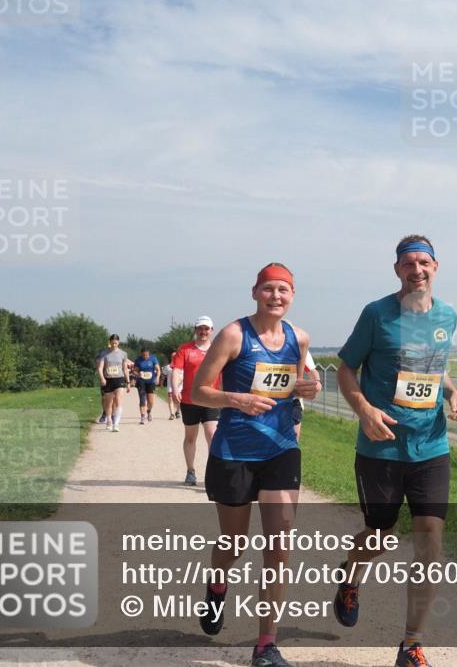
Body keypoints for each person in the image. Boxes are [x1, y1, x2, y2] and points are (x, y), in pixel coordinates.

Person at [333, 235, 457, 667]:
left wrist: (452, 393)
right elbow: (346, 369)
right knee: (380, 537)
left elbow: (434, 365)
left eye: (424, 262)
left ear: (436, 267)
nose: (417, 270)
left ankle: (412, 643)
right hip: (381, 448)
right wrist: (365, 411)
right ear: (397, 270)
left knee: (431, 540)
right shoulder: (377, 314)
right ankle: (351, 573)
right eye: (408, 263)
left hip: (431, 445)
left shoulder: (448, 314)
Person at [190, 263, 320, 667]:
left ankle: (266, 644)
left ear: (292, 295)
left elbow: (301, 388)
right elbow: (199, 391)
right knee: (235, 544)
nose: (276, 296)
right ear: (255, 292)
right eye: (268, 289)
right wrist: (237, 399)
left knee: (279, 546)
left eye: (283, 290)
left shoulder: (299, 338)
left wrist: (311, 387)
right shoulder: (233, 334)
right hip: (234, 452)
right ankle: (217, 585)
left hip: (281, 448)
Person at [173, 317, 222, 485]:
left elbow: (224, 371)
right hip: (190, 399)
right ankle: (190, 471)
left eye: (206, 329)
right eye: (200, 329)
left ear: (212, 331)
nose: (203, 332)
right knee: (190, 438)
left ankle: (214, 474)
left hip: (211, 399)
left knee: (212, 435)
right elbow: (177, 371)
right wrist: (174, 389)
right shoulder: (185, 349)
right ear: (195, 330)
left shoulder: (217, 349)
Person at [96, 335, 131, 433]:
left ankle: (116, 423)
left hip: (119, 379)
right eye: (112, 343)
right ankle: (109, 420)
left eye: (115, 343)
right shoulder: (104, 353)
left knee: (119, 400)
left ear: (118, 342)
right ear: (109, 342)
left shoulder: (123, 354)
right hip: (108, 380)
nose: (114, 345)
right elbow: (99, 368)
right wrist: (102, 378)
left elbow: (125, 368)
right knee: (108, 402)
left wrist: (128, 382)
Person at [133, 346, 162, 424]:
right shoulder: (138, 360)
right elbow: (135, 371)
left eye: (146, 355)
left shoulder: (153, 359)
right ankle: (143, 417)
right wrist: (138, 374)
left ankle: (149, 411)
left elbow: (158, 370)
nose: (145, 356)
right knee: (142, 399)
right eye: (143, 355)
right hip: (141, 382)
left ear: (149, 353)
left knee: (151, 401)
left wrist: (158, 378)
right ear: (141, 354)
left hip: (151, 382)